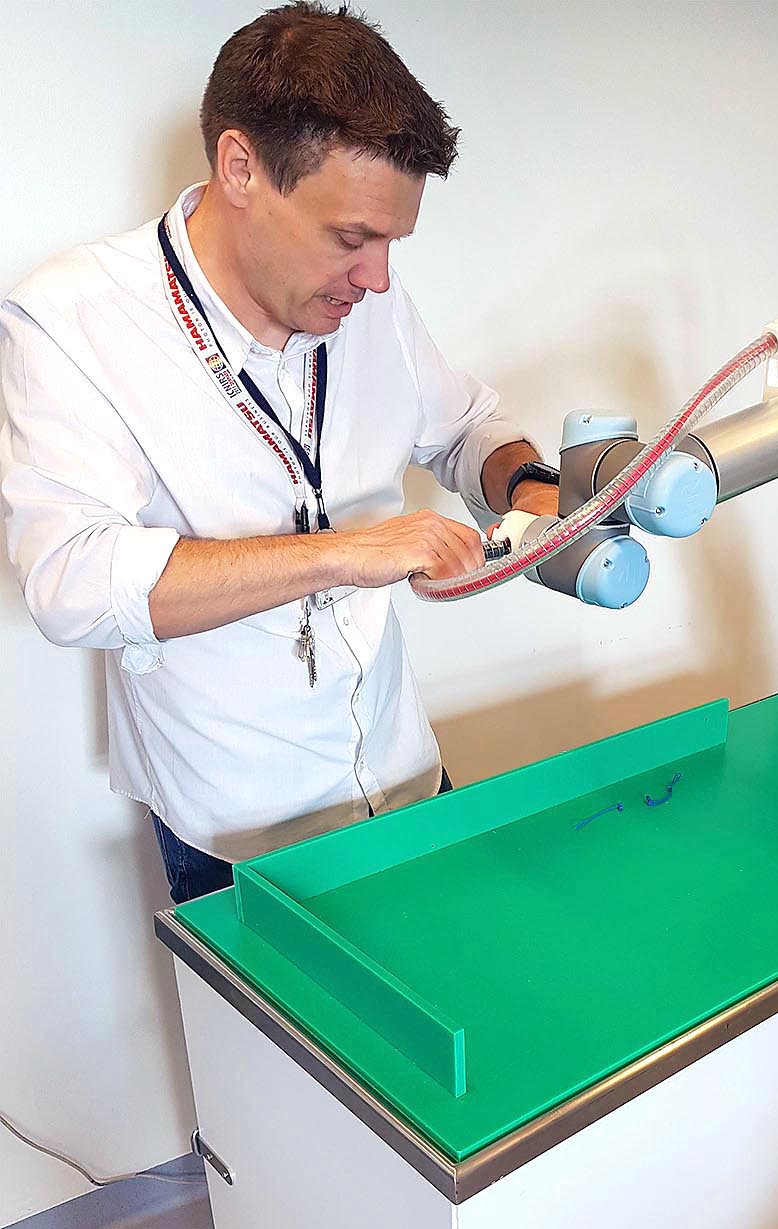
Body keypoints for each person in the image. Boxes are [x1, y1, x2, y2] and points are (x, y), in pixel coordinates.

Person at [0, 2, 560, 903]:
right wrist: (347, 551)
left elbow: (468, 430)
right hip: (245, 837)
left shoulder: (369, 300)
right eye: (352, 238)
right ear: (239, 169)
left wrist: (528, 489)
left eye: (392, 243)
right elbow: (68, 584)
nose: (378, 277)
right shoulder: (70, 322)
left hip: (410, 778)